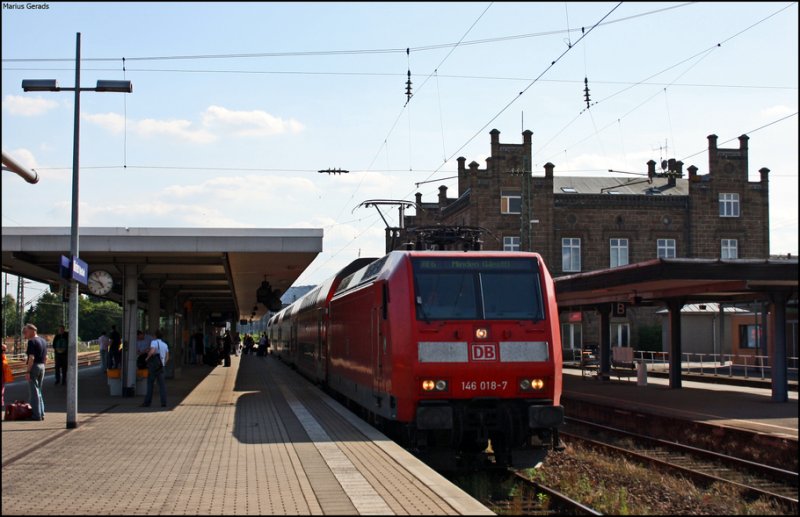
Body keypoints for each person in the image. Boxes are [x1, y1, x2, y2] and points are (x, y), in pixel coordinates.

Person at [24, 323, 47, 421]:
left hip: (34, 367)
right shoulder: (43, 341)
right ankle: (41, 413)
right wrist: (43, 366)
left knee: (34, 393)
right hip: (42, 366)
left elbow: (31, 357)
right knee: (39, 391)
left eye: (26, 331)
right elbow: (46, 357)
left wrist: (28, 371)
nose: (25, 333)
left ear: (32, 331)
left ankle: (36, 415)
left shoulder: (32, 341)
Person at [141, 330, 169, 408]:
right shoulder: (165, 344)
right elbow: (167, 356)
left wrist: (147, 357)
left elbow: (152, 351)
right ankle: (163, 403)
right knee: (162, 386)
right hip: (161, 367)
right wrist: (163, 364)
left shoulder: (154, 342)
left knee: (150, 385)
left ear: (155, 336)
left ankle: (147, 402)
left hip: (153, 367)